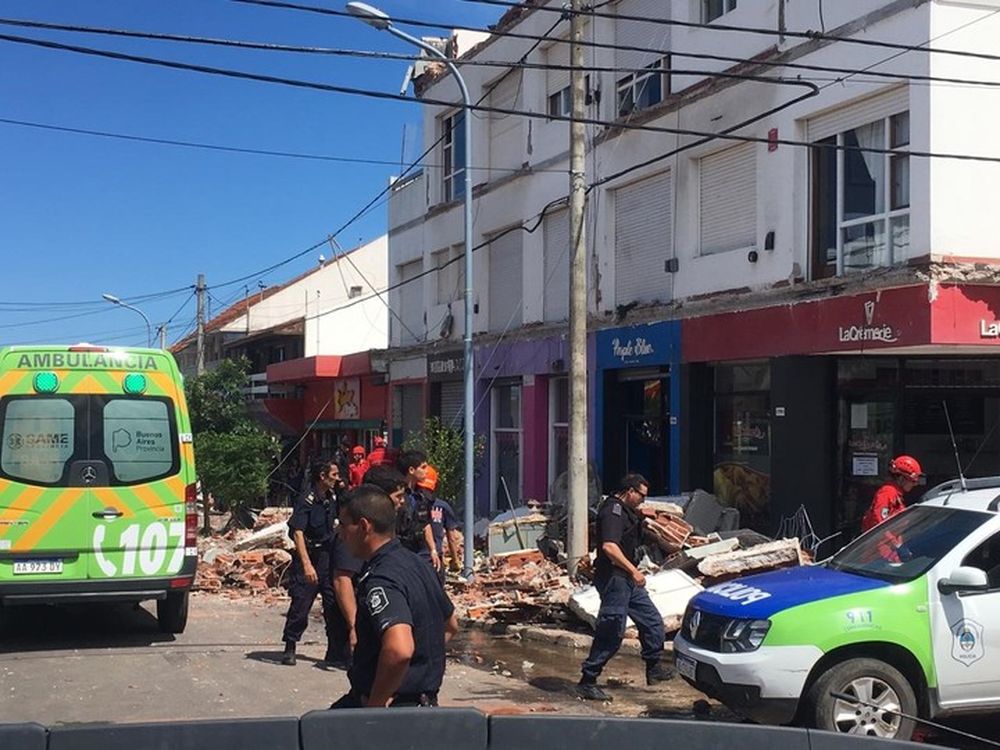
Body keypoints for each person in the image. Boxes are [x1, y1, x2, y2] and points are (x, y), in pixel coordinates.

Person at [330, 484, 459, 708]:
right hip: (422, 705)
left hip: (391, 711)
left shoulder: (382, 579)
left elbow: (399, 649)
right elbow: (450, 624)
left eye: (343, 525)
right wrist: (417, 668)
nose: (339, 534)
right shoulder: (418, 564)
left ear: (363, 526)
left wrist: (376, 705)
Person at [577, 473, 674, 701]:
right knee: (612, 629)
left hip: (627, 580)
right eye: (641, 495)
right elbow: (610, 547)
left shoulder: (627, 512)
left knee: (652, 622)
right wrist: (634, 570)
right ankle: (588, 679)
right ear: (630, 491)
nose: (643, 500)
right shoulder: (612, 511)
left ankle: (654, 668)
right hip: (615, 578)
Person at [281, 458, 342, 667]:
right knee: (301, 603)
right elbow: (298, 533)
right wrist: (307, 565)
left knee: (333, 603)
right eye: (333, 475)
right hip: (309, 554)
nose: (337, 478)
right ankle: (290, 646)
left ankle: (335, 651)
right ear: (322, 477)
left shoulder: (331, 497)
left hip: (326, 555)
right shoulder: (306, 500)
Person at [396, 450, 439, 572]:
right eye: (423, 467)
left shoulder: (421, 495)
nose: (427, 471)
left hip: (418, 549)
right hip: (400, 549)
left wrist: (433, 550)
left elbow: (425, 523)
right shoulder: (398, 495)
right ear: (411, 470)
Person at [419, 466, 462, 582]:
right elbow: (451, 537)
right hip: (433, 559)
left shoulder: (409, 504)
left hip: (413, 558)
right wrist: (455, 560)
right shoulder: (442, 506)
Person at [861, 455, 923, 533]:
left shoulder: (896, 494)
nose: (915, 484)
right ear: (901, 478)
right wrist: (894, 542)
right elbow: (879, 521)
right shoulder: (888, 492)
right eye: (912, 481)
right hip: (882, 543)